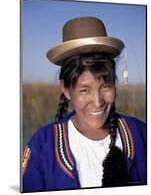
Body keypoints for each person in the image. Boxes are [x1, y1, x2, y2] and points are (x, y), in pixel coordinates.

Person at [22, 17, 147, 192]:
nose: (97, 102)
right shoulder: (41, 147)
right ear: (66, 89)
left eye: (106, 86)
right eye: (84, 90)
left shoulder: (141, 135)